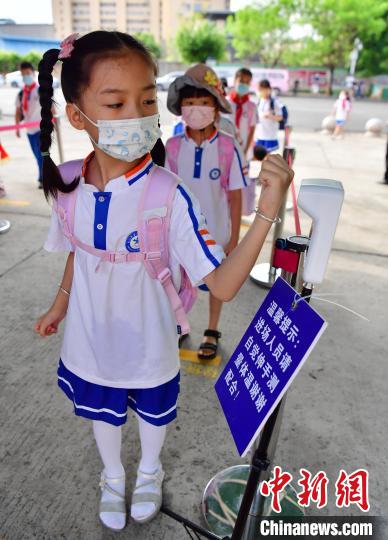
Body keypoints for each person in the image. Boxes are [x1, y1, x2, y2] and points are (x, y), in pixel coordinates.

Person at [34, 31, 293, 532]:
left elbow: (220, 285)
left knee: (153, 415)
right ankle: (113, 476)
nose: (137, 113)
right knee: (103, 413)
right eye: (116, 102)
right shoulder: (66, 184)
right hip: (91, 341)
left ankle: (149, 471)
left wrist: (266, 212)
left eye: (148, 99)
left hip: (150, 344)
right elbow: (78, 254)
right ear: (76, 114)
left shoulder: (168, 193)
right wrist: (59, 306)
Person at [165, 64, 247, 360]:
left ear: (215, 106)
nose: (196, 108)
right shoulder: (171, 147)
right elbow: (164, 194)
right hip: (179, 233)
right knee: (177, 280)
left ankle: (212, 329)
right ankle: (180, 323)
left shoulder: (228, 147)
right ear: (180, 108)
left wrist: (234, 238)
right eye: (189, 102)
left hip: (217, 233)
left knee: (216, 283)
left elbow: (236, 196)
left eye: (203, 101)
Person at [15, 61, 44, 188]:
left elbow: (51, 108)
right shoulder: (21, 93)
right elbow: (17, 110)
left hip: (40, 129)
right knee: (37, 155)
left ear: (33, 73)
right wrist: (17, 127)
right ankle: (43, 177)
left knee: (41, 155)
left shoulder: (40, 90)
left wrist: (54, 122)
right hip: (29, 130)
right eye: (23, 74)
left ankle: (43, 178)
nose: (26, 76)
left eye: (27, 73)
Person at [228, 68, 257, 159]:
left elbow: (252, 130)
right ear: (234, 80)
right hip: (225, 149)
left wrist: (245, 150)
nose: (244, 84)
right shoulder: (225, 103)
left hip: (243, 150)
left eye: (247, 82)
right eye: (241, 81)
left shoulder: (252, 106)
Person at [256, 79, 283, 153]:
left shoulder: (274, 102)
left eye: (261, 89)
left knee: (268, 158)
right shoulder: (259, 101)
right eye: (259, 89)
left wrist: (270, 116)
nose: (259, 91)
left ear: (268, 89)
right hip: (260, 135)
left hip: (270, 136)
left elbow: (280, 117)